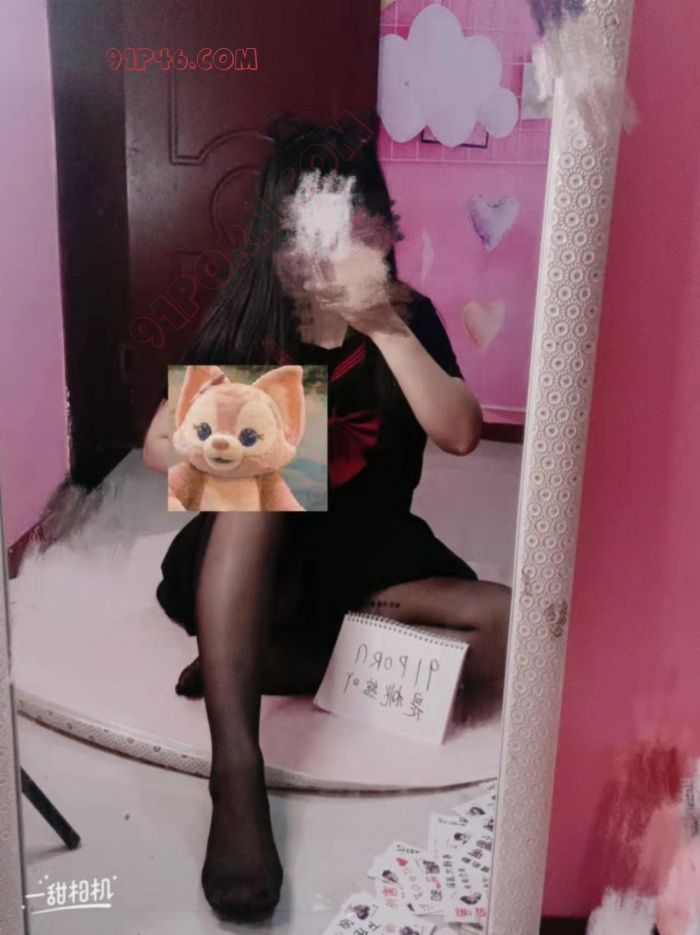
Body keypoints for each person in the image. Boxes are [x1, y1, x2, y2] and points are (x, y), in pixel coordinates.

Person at [142, 115, 511, 922]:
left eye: (352, 226)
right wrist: (244, 444)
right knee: (262, 477)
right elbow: (159, 445)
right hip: (254, 565)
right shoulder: (256, 318)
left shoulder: (409, 315)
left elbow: (460, 431)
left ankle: (265, 663)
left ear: (379, 228)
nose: (330, 251)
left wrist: (384, 325)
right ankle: (236, 766)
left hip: (372, 560)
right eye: (309, 231)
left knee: (510, 626)